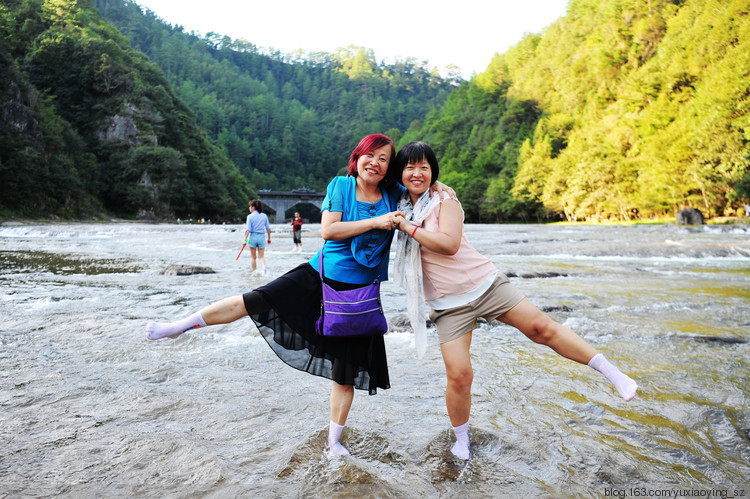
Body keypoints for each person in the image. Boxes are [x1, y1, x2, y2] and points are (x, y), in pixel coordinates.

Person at [146, 134, 422, 457]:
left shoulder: (393, 194)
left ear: (389, 167)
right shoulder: (341, 186)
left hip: (359, 295)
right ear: (357, 157)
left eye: (383, 159)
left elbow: (425, 192)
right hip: (318, 279)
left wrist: (444, 190)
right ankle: (180, 325)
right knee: (252, 301)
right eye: (370, 155)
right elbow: (329, 230)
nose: (375, 163)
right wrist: (377, 221)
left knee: (344, 377)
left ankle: (334, 442)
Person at [390, 141, 638, 461]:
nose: (417, 173)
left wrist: (407, 227)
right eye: (410, 167)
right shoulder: (397, 205)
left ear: (433, 172)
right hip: (448, 303)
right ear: (400, 173)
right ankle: (462, 439)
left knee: (541, 328)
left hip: (485, 284)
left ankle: (614, 374)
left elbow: (449, 245)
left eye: (425, 167)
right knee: (459, 374)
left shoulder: (445, 201)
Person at [245, 199, 271, 275]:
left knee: (253, 257)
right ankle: (263, 268)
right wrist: (269, 238)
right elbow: (268, 229)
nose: (249, 208)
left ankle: (254, 272)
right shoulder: (264, 216)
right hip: (262, 237)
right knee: (261, 256)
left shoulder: (250, 216)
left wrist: (245, 240)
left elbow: (248, 230)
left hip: (253, 237)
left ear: (253, 207)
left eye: (250, 206)